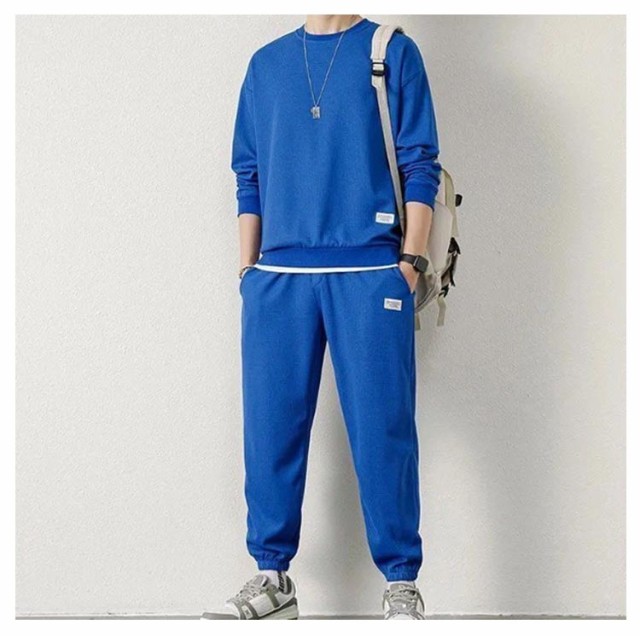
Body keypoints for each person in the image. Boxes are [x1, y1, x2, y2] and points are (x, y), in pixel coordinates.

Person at [222, 14, 441, 620]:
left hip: (371, 271)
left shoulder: (392, 51)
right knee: (270, 429)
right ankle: (272, 577)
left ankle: (401, 581)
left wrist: (410, 261)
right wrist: (247, 272)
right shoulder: (265, 65)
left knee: (383, 429)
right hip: (278, 277)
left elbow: (420, 161)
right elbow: (249, 173)